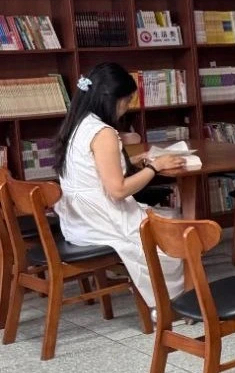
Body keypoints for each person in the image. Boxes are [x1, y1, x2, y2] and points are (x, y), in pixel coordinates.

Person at [52, 63, 188, 315]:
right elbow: (118, 190)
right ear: (111, 100)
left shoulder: (78, 123)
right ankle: (168, 305)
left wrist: (133, 160)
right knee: (175, 229)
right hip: (101, 221)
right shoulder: (103, 133)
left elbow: (94, 169)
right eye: (126, 101)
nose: (126, 108)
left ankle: (162, 297)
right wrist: (155, 167)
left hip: (78, 220)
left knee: (169, 219)